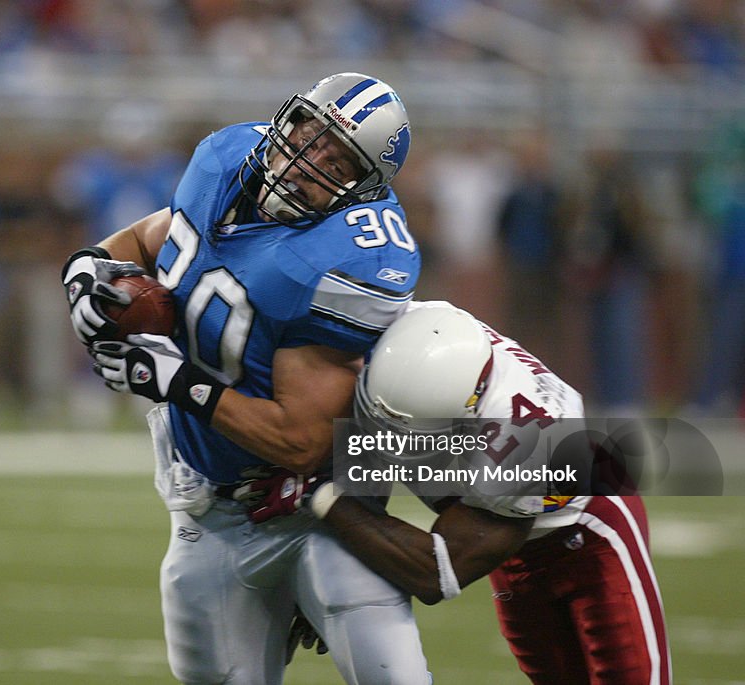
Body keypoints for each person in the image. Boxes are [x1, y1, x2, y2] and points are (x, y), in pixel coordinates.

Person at [62, 73, 427, 684]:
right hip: (213, 505)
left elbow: (307, 445)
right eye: (310, 136)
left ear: (362, 190)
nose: (310, 163)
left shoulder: (348, 258)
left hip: (332, 499)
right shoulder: (227, 159)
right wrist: (87, 268)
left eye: (338, 161)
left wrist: (176, 381)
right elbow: (160, 237)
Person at [237, 301, 672, 685]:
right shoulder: (402, 335)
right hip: (498, 530)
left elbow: (437, 572)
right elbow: (364, 452)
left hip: (583, 531)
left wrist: (320, 497)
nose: (394, 444)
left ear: (471, 407)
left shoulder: (529, 433)